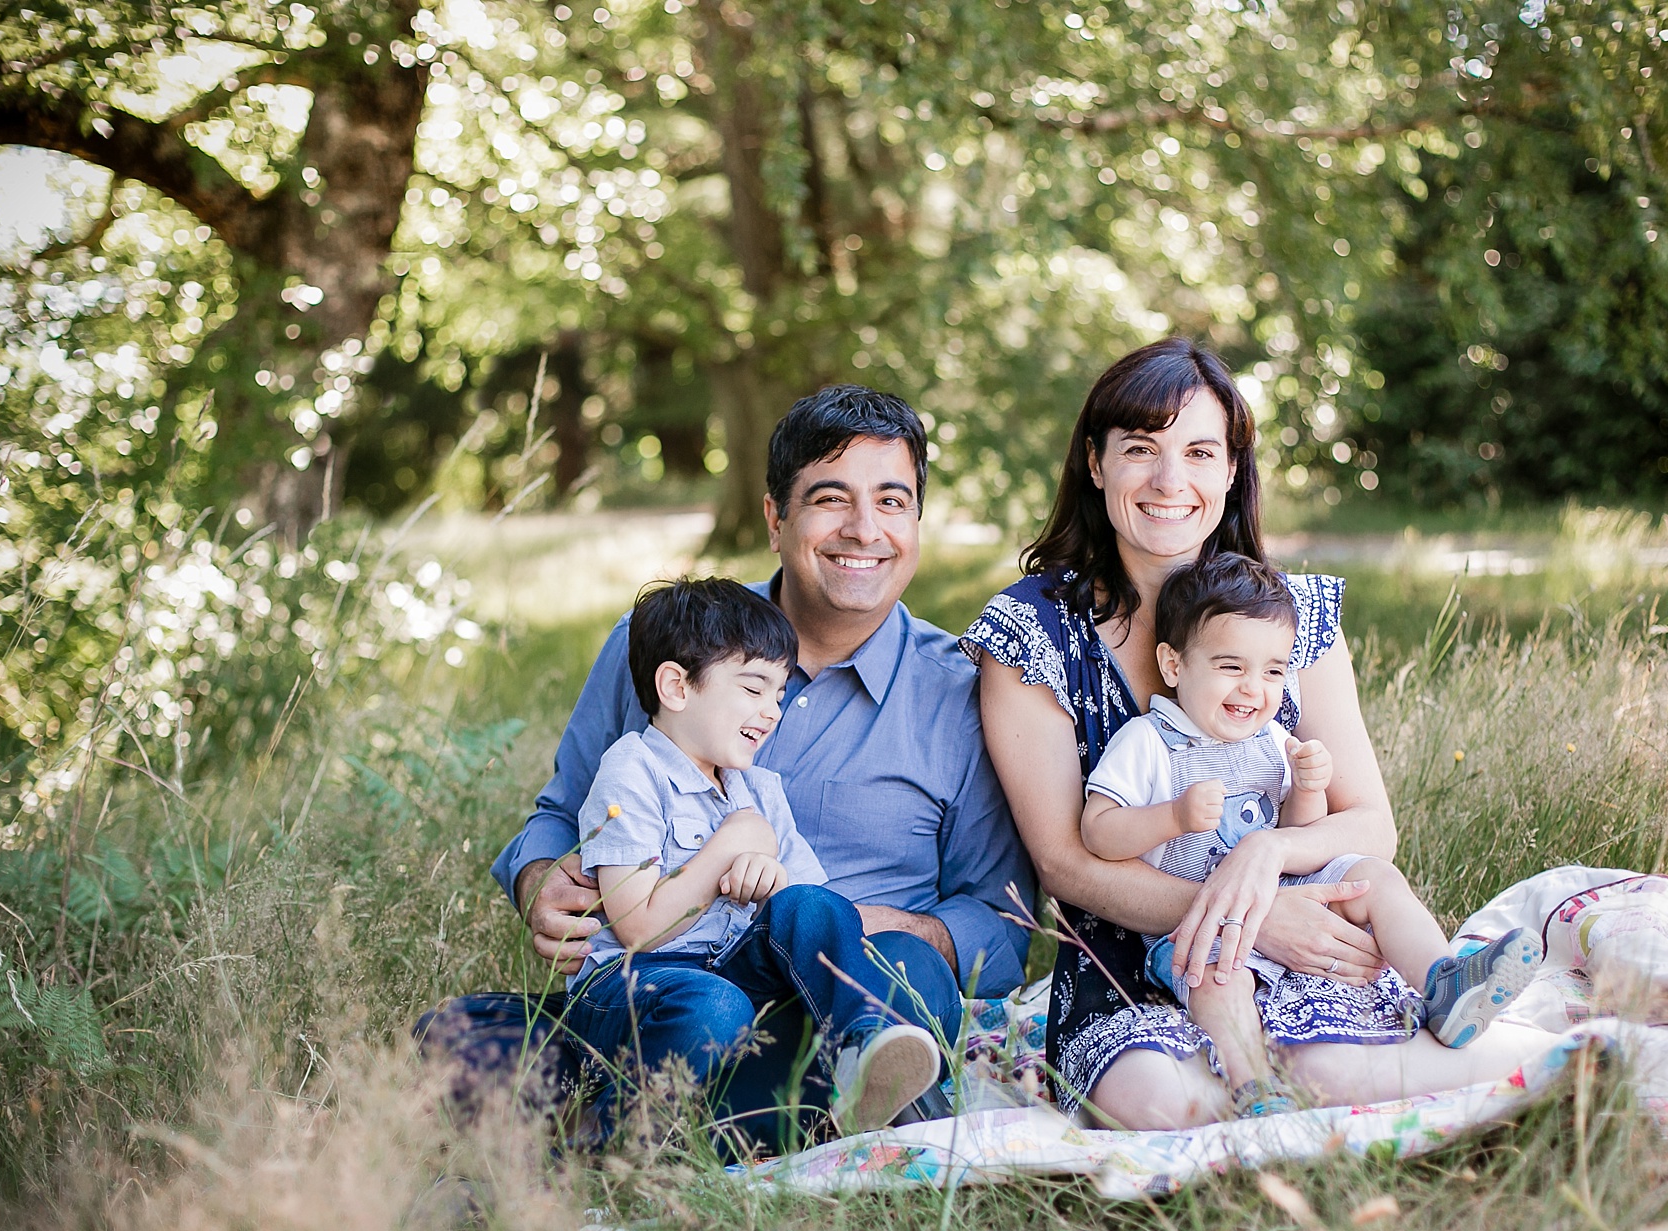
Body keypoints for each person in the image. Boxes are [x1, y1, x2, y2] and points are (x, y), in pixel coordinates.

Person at [419, 385, 1035, 1152]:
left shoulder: (964, 693)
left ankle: (628, 1115)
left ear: (916, 521)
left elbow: (1003, 925)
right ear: (776, 518)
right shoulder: (668, 644)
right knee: (688, 1017)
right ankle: (754, 1119)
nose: (864, 529)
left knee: (906, 971)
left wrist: (853, 929)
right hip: (676, 983)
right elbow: (561, 808)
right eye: (830, 498)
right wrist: (540, 879)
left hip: (859, 995)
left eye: (892, 500)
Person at [964, 337, 1557, 1129]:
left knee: (1332, 1058)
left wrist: (1267, 853)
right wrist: (1244, 911)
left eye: (1200, 451)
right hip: (1132, 959)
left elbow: (1369, 823)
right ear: (1097, 463)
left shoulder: (1293, 614)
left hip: (1300, 932)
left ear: (1233, 469)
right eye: (1141, 449)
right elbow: (1065, 863)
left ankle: (1542, 1052)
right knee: (1160, 1100)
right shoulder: (1032, 632)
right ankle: (1305, 1088)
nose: (1171, 481)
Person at [1078, 552, 1545, 1114]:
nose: (1253, 689)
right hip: (1197, 925)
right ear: (1174, 666)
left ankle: (1444, 981)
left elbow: (1297, 843)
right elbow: (1098, 831)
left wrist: (1305, 788)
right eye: (1231, 666)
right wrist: (1171, 818)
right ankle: (1254, 1085)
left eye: (1273, 671)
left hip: (1282, 898)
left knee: (1372, 876)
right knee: (1215, 977)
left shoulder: (1272, 741)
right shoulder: (1147, 743)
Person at [568, 576, 945, 1141]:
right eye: (753, 687)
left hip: (735, 978)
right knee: (714, 1007)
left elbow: (817, 909)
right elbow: (637, 925)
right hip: (637, 986)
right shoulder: (632, 772)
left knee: (889, 954)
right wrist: (729, 848)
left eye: (778, 691)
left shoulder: (760, 789)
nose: (772, 710)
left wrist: (772, 878)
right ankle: (610, 1136)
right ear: (676, 686)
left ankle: (864, 1047)